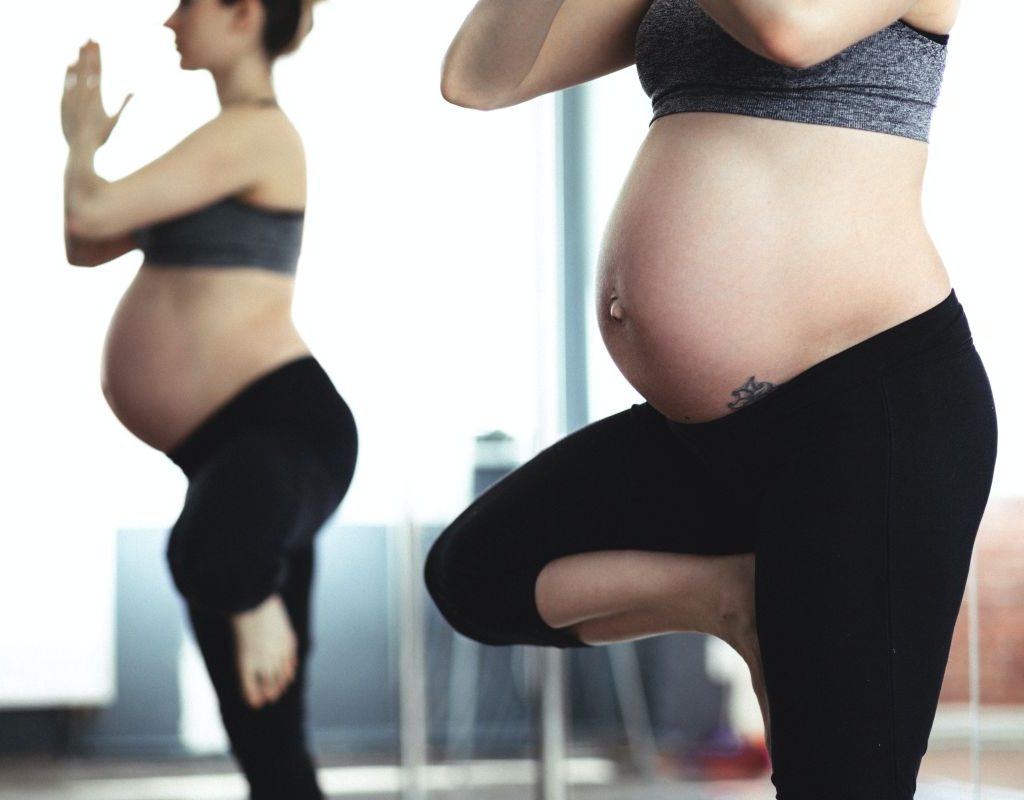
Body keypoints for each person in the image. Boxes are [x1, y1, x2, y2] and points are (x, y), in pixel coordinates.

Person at [424, 1, 997, 797]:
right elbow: (477, 79)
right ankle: (733, 599)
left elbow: (788, 32)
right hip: (706, 439)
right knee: (478, 573)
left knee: (839, 782)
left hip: (864, 414)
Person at [61, 2, 354, 797]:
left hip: (280, 429)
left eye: (187, 2)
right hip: (236, 448)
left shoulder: (256, 133)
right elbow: (85, 243)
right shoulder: (219, 144)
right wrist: (83, 147)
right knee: (266, 738)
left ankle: (251, 589)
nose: (169, 21)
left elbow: (89, 207)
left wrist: (84, 138)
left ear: (242, 12)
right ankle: (247, 587)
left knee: (211, 558)